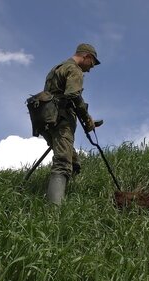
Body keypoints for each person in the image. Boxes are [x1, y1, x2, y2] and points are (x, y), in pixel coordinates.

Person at [39, 43, 101, 205]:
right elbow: (73, 95)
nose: (91, 67)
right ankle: (53, 213)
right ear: (86, 56)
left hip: (45, 120)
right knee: (62, 163)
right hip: (61, 120)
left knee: (73, 161)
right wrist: (87, 119)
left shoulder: (57, 68)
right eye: (92, 63)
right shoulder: (75, 70)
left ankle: (69, 193)